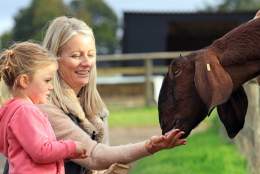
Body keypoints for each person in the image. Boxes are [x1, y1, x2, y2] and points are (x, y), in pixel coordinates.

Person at [3, 16, 187, 174]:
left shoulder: (95, 111)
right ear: (54, 59)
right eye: (76, 55)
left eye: (90, 54)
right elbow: (94, 156)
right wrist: (149, 147)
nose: (86, 63)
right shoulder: (41, 108)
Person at [0, 42, 88, 174]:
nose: (51, 86)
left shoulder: (13, 110)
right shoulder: (25, 111)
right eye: (47, 80)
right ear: (24, 81)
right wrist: (71, 147)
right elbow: (41, 151)